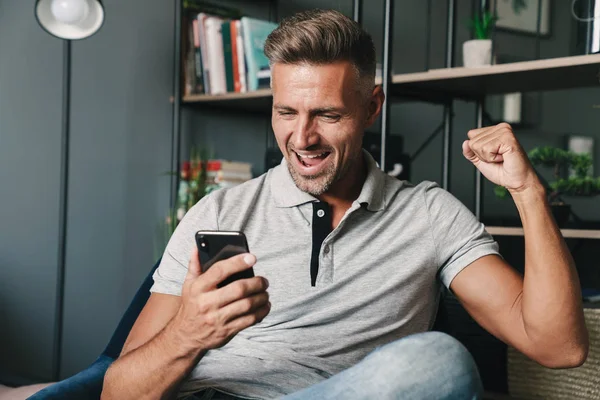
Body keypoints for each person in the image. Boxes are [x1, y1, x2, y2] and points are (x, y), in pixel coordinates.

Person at [101, 9, 588, 400]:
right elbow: (117, 391)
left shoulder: (430, 215)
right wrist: (190, 333)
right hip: (209, 393)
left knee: (436, 362)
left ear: (372, 107)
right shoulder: (218, 212)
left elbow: (558, 347)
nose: (303, 138)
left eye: (328, 114)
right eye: (285, 112)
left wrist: (529, 194)